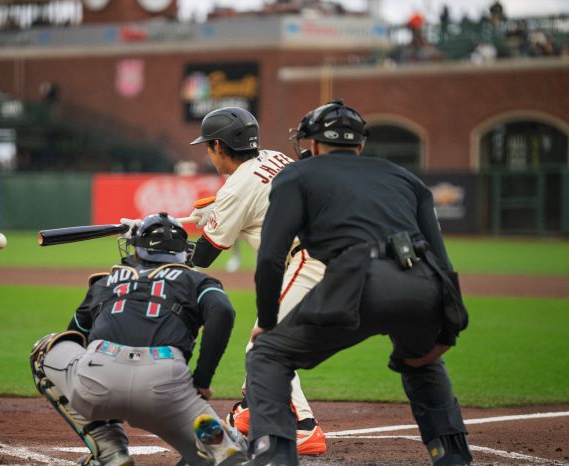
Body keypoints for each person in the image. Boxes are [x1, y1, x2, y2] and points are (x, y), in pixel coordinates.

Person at [244, 99, 471, 466]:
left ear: (313, 145)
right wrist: (447, 334)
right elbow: (443, 263)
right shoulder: (406, 178)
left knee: (268, 354)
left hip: (357, 281)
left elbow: (271, 257)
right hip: (423, 284)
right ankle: (453, 457)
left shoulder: (297, 175)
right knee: (421, 361)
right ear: (360, 145)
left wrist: (268, 323)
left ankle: (276, 456)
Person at [29, 212, 249, 466]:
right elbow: (222, 311)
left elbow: (74, 338)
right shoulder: (196, 281)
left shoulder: (104, 282)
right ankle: (216, 445)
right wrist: (202, 380)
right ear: (181, 253)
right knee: (205, 449)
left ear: (137, 250)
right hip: (165, 382)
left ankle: (109, 448)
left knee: (44, 350)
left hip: (99, 376)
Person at [188, 107, 327, 456]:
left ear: (220, 146)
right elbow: (258, 199)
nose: (208, 151)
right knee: (266, 343)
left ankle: (304, 427)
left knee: (265, 346)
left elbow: (202, 258)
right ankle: (251, 409)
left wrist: (157, 239)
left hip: (308, 259)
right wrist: (217, 210)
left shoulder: (236, 188)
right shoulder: (274, 156)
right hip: (334, 250)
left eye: (208, 145)